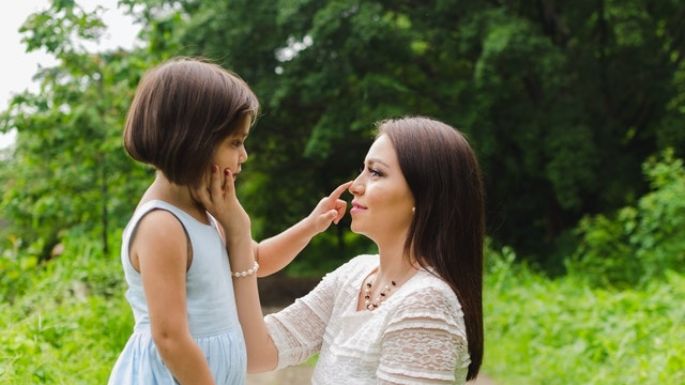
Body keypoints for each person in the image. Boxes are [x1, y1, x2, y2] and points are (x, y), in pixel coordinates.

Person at [107, 57, 349, 385]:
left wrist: (311, 225)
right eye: (235, 142)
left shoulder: (209, 214)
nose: (244, 155)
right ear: (192, 141)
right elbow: (171, 339)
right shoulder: (162, 225)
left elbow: (258, 260)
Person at [198, 116, 485, 384]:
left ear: (423, 198)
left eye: (375, 173)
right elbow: (257, 352)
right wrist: (237, 234)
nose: (356, 186)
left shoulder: (427, 304)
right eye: (363, 170)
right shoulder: (354, 275)